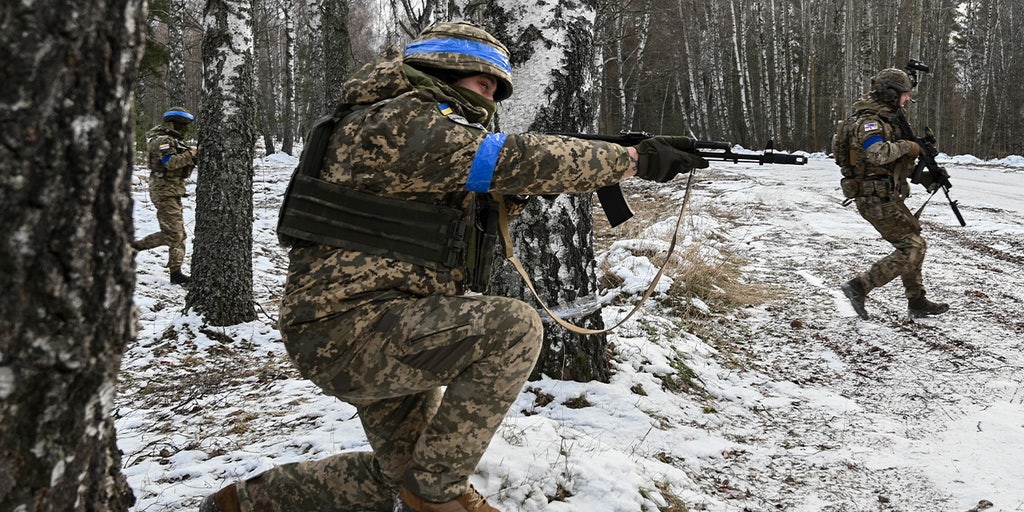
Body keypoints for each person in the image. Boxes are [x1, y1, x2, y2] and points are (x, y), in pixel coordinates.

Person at [200, 21, 706, 512]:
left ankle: (244, 503)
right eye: (482, 81)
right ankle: (440, 494)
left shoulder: (409, 126)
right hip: (349, 332)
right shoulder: (395, 122)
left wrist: (532, 185)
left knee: (402, 475)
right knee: (513, 330)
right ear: (443, 71)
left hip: (388, 322)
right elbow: (507, 159)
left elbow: (470, 195)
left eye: (495, 88)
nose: (488, 98)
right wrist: (631, 159)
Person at [835, 68, 949, 320]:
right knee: (912, 248)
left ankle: (916, 301)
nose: (907, 100)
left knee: (915, 242)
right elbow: (878, 154)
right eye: (904, 95)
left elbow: (892, 166)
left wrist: (929, 177)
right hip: (872, 198)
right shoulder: (869, 122)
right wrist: (910, 146)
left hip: (885, 195)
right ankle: (859, 286)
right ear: (890, 94)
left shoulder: (887, 120)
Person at [131, 107, 198, 285]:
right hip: (164, 192)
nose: (186, 129)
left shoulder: (172, 140)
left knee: (179, 234)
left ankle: (176, 273)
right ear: (173, 124)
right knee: (174, 235)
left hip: (172, 191)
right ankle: (134, 246)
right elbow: (170, 163)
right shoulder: (163, 141)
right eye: (183, 125)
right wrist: (192, 154)